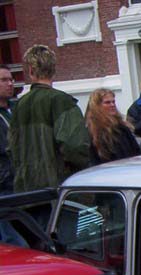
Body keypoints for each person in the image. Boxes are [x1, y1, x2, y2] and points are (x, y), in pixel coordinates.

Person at [9, 45, 90, 193]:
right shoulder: (62, 101)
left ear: (31, 71)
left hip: (26, 190)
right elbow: (75, 147)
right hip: (59, 188)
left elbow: (12, 148)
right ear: (53, 70)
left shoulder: (19, 105)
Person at [84, 88, 140, 165]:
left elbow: (136, 152)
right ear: (97, 106)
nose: (112, 105)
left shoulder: (122, 127)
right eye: (107, 102)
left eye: (113, 102)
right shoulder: (92, 132)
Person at [0, 65, 15, 194]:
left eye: (11, 80)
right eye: (4, 80)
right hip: (5, 186)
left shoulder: (18, 109)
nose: (10, 84)